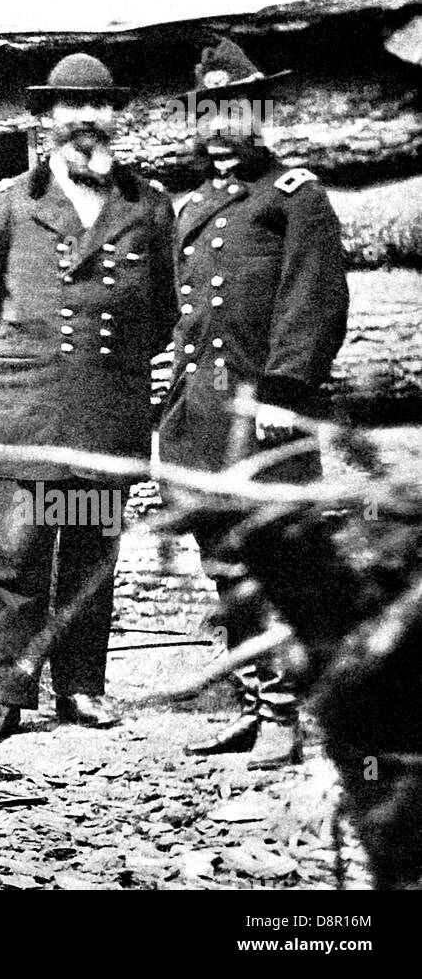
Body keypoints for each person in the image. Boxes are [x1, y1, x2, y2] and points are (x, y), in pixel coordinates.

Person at [0, 54, 177, 744]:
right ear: (47, 120)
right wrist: (27, 360)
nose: (85, 118)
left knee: (88, 556)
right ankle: (4, 694)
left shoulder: (147, 205)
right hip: (27, 409)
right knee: (16, 558)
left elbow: (162, 311)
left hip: (104, 413)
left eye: (99, 106)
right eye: (69, 107)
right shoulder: (10, 201)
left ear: (116, 118)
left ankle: (81, 687)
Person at [158, 39, 349, 769]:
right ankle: (252, 704)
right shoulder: (195, 206)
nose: (219, 126)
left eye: (233, 108)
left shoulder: (297, 196)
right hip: (203, 422)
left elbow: (315, 299)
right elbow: (187, 315)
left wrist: (283, 389)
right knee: (225, 566)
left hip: (264, 419)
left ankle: (287, 714)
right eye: (207, 113)